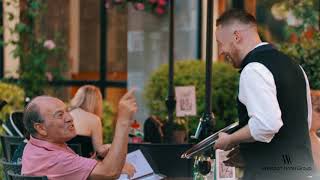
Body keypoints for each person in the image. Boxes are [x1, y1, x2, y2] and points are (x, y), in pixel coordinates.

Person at [213, 9, 314, 180]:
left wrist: (230, 140)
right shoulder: (294, 65)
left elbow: (267, 124)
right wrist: (250, 153)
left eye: (220, 43)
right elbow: (304, 121)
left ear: (236, 36)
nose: (221, 51)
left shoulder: (253, 69)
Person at [21, 89, 137, 179]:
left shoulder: (33, 146)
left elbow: (74, 170)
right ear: (41, 128)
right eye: (60, 115)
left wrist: (98, 157)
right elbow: (109, 172)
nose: (70, 118)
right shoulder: (57, 159)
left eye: (67, 111)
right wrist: (123, 121)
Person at [67, 85, 104, 158]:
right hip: (84, 164)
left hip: (63, 163)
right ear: (96, 102)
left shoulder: (66, 115)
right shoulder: (94, 119)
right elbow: (99, 151)